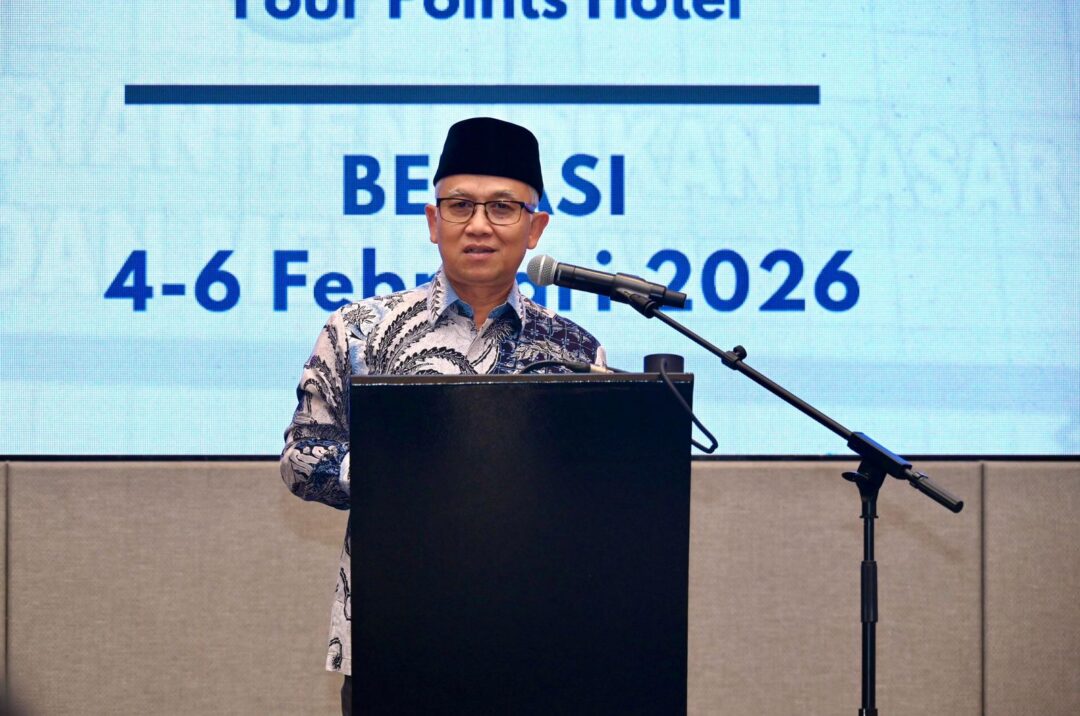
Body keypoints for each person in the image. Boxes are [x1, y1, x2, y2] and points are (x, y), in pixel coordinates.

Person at [280, 117, 606, 715]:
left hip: (537, 636)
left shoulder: (575, 350)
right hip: (394, 632)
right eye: (460, 206)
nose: (478, 225)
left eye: (502, 207)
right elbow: (301, 460)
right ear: (434, 222)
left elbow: (591, 499)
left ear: (535, 229)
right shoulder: (359, 332)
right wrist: (413, 475)